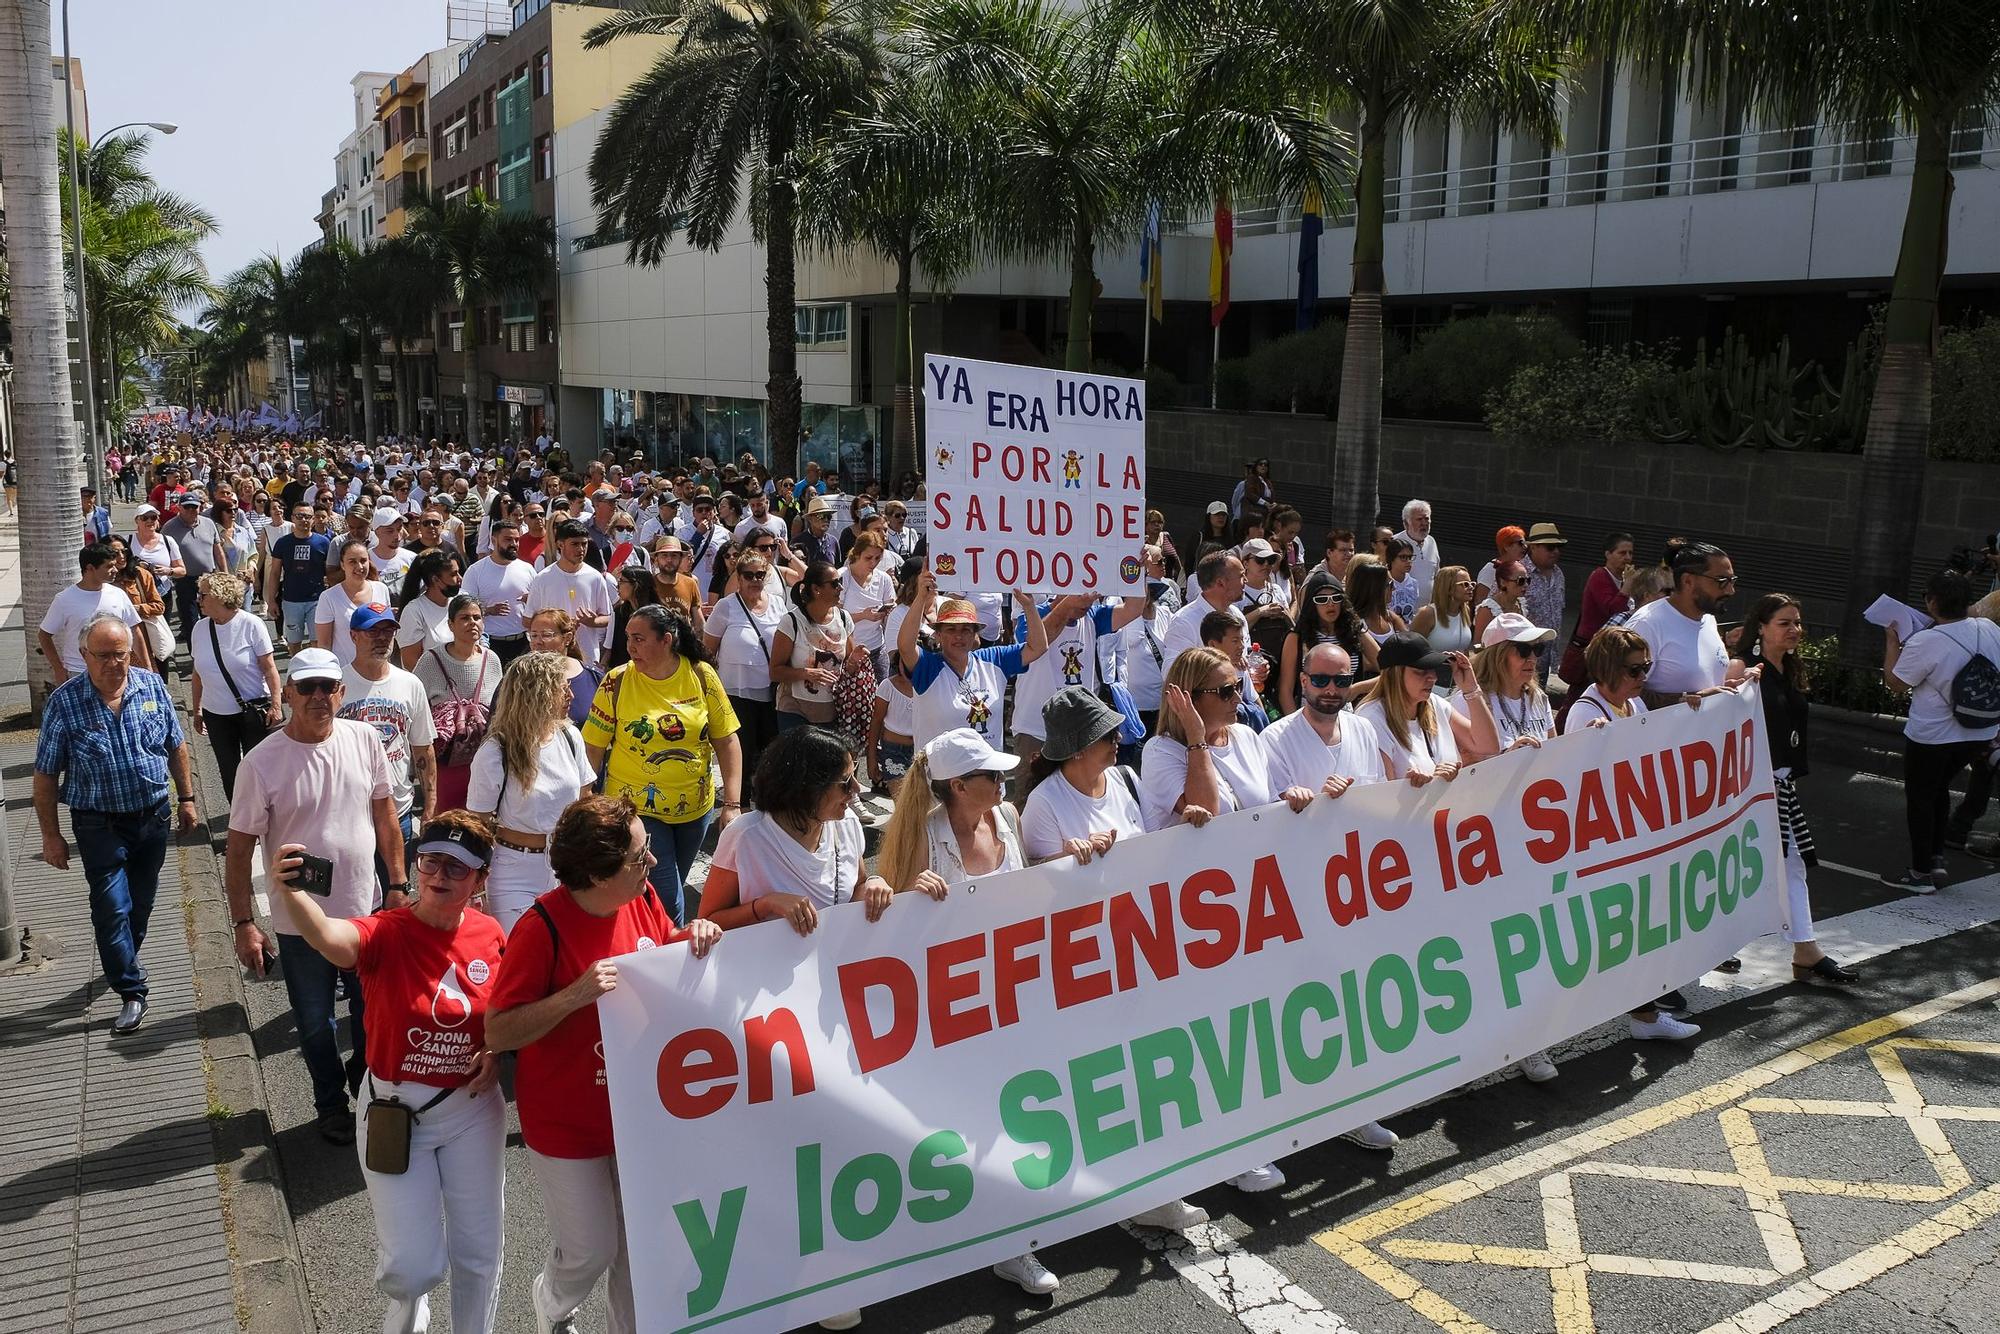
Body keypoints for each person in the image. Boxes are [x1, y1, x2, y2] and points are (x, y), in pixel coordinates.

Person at [486, 794, 723, 1334]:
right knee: (591, 1249)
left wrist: (696, 937)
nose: (655, 864)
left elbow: (664, 949)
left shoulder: (638, 899)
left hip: (638, 1113)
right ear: (596, 874)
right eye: (641, 858)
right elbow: (498, 1030)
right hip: (568, 1123)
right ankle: (552, 1300)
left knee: (640, 1250)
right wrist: (574, 995)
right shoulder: (540, 928)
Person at [269, 811, 507, 1334]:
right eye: (430, 862)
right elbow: (333, 939)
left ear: (481, 879)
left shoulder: (491, 935)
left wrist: (494, 1048)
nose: (439, 876)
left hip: (472, 1112)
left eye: (457, 868)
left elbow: (504, 1011)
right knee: (412, 1266)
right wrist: (289, 893)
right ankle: (406, 1316)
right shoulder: (387, 930)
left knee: (479, 1252)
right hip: (395, 1114)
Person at [228, 647, 406, 1141]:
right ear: (287, 694)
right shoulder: (261, 763)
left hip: (366, 912)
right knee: (313, 1024)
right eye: (306, 688)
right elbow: (239, 850)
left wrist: (396, 884)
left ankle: (363, 1078)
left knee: (375, 1014)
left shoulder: (364, 738)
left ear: (341, 693)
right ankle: (330, 1103)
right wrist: (244, 924)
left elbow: (386, 817)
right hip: (300, 924)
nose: (318, 697)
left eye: (327, 687)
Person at [33, 616, 199, 1036]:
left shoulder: (150, 686)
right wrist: (51, 836)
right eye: (103, 655)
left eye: (120, 654)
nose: (113, 664)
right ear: (84, 656)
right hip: (98, 824)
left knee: (139, 907)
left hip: (152, 817)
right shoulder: (65, 703)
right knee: (111, 908)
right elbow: (46, 776)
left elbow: (175, 744)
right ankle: (131, 989)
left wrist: (186, 798)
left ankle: (122, 957)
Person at [1557, 628, 1704, 1043]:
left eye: (1647, 667)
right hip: (1598, 843)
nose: (1643, 675)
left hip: (1627, 837)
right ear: (1607, 668)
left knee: (1632, 929)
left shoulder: (1632, 703)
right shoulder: (1587, 712)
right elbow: (1573, 779)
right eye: (1634, 668)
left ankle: (1643, 1013)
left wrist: (1687, 710)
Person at [582, 604, 743, 923]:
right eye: (627, 637)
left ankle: (641, 940)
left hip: (695, 812)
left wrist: (733, 804)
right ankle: (673, 956)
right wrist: (587, 801)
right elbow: (593, 749)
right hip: (636, 811)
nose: (630, 646)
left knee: (660, 890)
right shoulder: (616, 682)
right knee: (669, 898)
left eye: (639, 639)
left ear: (666, 640)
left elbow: (726, 741)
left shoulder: (700, 674)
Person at [1734, 595, 1860, 986]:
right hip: (1753, 788)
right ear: (1761, 627)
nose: (1795, 630)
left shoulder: (1789, 669)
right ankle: (1723, 946)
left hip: (1781, 784)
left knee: (1789, 865)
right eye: (1785, 622)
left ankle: (1805, 949)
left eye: (1798, 623)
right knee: (1737, 867)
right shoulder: (1742, 668)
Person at [1883, 567, 2000, 892]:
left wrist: (1892, 641)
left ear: (1931, 602)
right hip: (1979, 732)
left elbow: (1895, 683)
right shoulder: (1989, 628)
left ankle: (1922, 873)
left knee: (1921, 798)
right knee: (1939, 790)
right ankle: (1935, 860)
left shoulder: (1925, 641)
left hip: (1932, 736)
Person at [467, 654, 595, 930]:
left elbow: (586, 803)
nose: (571, 695)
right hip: (513, 871)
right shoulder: (494, 752)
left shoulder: (570, 737)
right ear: (539, 693)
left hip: (566, 866)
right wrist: (475, 887)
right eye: (563, 688)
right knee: (522, 956)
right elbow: (477, 824)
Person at [898, 573, 1048, 753]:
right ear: (938, 634)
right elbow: (906, 646)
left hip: (987, 776)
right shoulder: (928, 667)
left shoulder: (993, 659)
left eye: (966, 630)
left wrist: (1029, 606)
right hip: (941, 776)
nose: (959, 636)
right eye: (951, 629)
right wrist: (922, 596)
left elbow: (1038, 647)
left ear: (975, 634)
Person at [342, 602, 439, 872]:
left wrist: (430, 806)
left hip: (399, 811)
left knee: (396, 896)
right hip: (349, 814)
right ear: (354, 635)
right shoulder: (337, 684)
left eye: (389, 631)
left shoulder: (410, 684)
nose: (382, 638)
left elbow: (423, 749)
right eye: (373, 631)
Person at [1354, 633, 1500, 783]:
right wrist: (1426, 784)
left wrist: (1470, 689)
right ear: (1395, 675)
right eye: (1421, 671)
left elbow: (1488, 746)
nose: (1433, 677)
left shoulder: (1435, 703)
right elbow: (1383, 793)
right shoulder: (1370, 718)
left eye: (1432, 669)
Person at [189, 571, 283, 799]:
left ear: (221, 597)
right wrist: (197, 709)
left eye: (202, 595)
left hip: (252, 711)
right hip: (216, 714)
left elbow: (270, 668)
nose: (198, 599)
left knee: (258, 771)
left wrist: (277, 706)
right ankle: (240, 822)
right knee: (229, 773)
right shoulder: (200, 629)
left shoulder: (251, 624)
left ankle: (266, 820)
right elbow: (197, 672)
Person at [1627, 542, 1749, 711]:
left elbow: (1706, 682)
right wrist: (1687, 700)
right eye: (1722, 581)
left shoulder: (1708, 619)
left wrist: (1730, 686)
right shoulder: (1647, 624)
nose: (1730, 591)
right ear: (1688, 581)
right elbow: (1621, 692)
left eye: (1732, 580)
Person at [414, 596, 500, 813]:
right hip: (445, 763)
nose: (472, 623)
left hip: (484, 760)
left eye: (477, 617)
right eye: (464, 618)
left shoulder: (492, 659)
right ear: (451, 624)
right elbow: (415, 709)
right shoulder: (430, 660)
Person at [772, 561, 862, 734]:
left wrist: (856, 660)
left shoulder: (844, 618)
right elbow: (775, 672)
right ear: (816, 589)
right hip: (794, 710)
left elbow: (848, 667)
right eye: (835, 584)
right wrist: (806, 673)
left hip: (833, 710)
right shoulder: (791, 622)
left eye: (840, 582)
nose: (841, 588)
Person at [39, 543, 145, 684]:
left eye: (114, 565)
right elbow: (44, 635)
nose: (115, 570)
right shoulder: (64, 599)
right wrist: (58, 669)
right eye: (108, 566)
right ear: (89, 568)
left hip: (117, 670)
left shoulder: (118, 594)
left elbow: (135, 631)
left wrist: (147, 666)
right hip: (78, 672)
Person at [529, 519, 617, 668]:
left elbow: (608, 617)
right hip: (551, 660)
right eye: (575, 544)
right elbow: (527, 619)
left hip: (587, 658)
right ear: (560, 544)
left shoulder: (595, 577)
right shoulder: (542, 578)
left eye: (584, 544)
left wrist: (592, 622)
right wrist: (556, 625)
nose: (581, 549)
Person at [1471, 613, 1558, 755]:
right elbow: (1464, 764)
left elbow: (1554, 753)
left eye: (1538, 649)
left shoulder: (1537, 697)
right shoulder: (1473, 700)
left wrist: (1587, 735)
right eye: (1523, 650)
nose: (1533, 658)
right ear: (1497, 656)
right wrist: (1509, 756)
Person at [1559, 531, 1635, 691]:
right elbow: (1613, 610)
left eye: (1630, 553)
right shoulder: (1600, 576)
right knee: (1580, 693)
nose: (1627, 557)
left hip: (1609, 648)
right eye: (1622, 553)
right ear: (1608, 554)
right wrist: (1627, 586)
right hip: (1590, 648)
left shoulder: (1623, 579)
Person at [461, 517, 535, 667]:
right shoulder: (475, 571)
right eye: (508, 539)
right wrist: (488, 610)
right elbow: (463, 609)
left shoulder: (527, 569)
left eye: (516, 540)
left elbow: (541, 604)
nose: (514, 544)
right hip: (490, 644)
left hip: (523, 643)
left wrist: (532, 600)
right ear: (493, 540)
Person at [317, 538, 391, 669]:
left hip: (378, 670)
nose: (359, 567)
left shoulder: (381, 589)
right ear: (342, 565)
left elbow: (388, 632)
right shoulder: (328, 597)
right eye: (352, 562)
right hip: (344, 673)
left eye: (363, 560)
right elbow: (324, 644)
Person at [268, 505, 331, 651]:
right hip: (291, 601)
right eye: (299, 516)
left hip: (317, 600)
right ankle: (296, 671)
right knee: (294, 642)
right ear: (292, 518)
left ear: (313, 519)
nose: (304, 520)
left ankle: (316, 672)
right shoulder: (283, 543)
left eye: (308, 516)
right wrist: (272, 600)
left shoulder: (323, 542)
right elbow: (275, 573)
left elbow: (330, 571)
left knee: (317, 642)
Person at [163, 495, 227, 641]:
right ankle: (196, 656)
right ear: (179, 507)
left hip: (209, 578)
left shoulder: (209, 523)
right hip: (185, 580)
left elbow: (217, 550)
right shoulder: (169, 528)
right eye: (187, 507)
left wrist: (224, 574)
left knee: (213, 617)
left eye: (194, 507)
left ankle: (215, 651)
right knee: (190, 620)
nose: (191, 510)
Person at [529, 607, 603, 728]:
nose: (538, 642)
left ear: (567, 638)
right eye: (533, 635)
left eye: (546, 635)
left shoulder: (594, 678)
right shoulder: (518, 679)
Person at [395, 548, 465, 668]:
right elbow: (411, 664)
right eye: (453, 574)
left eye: (459, 572)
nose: (460, 579)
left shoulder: (462, 600)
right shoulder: (414, 611)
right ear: (435, 579)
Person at [1522, 523, 1568, 686]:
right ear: (1533, 547)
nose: (1556, 551)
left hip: (1547, 655)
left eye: (1558, 547)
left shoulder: (1558, 574)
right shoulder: (1519, 572)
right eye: (1550, 547)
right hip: (1522, 655)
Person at [1412, 566, 1478, 656]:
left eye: (1472, 584)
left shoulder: (1465, 611)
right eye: (1465, 584)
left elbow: (1464, 650)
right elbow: (1412, 650)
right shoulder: (1427, 614)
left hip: (1458, 669)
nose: (1471, 587)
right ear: (1448, 588)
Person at [1472, 558, 1528, 646]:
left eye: (1528, 580)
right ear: (1503, 582)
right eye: (1520, 581)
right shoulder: (1488, 609)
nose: (1526, 585)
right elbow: (1478, 645)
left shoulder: (1521, 604)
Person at [1395, 499, 1440, 595]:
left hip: (1427, 608)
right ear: (1406, 524)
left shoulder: (1431, 542)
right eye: (1419, 519)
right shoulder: (1395, 543)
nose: (1424, 523)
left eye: (1427, 518)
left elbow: (1436, 575)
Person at [1474, 525, 1529, 599]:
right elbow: (1479, 600)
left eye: (1526, 543)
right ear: (1506, 546)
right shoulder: (1490, 569)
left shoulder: (1521, 568)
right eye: (1521, 543)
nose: (1525, 546)